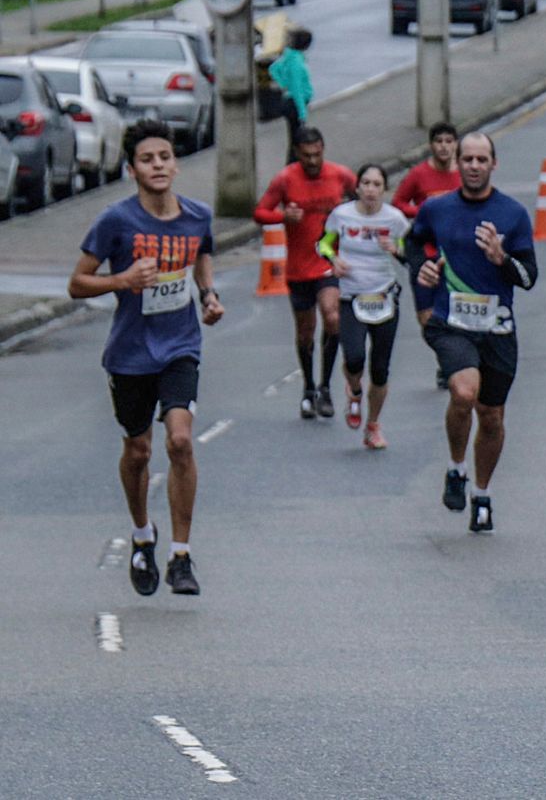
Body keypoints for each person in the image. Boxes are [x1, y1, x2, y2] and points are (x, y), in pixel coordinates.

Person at [69, 120, 223, 596]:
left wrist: (209, 295)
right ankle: (142, 536)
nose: (158, 165)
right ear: (132, 169)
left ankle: (181, 555)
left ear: (175, 164)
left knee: (180, 441)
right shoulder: (116, 221)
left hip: (179, 346)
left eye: (164, 157)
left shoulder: (196, 216)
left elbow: (201, 255)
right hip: (131, 353)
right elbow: (77, 284)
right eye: (147, 159)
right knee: (138, 452)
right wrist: (123, 280)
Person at [406, 132, 539, 533]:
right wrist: (422, 275)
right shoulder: (437, 209)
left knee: (493, 417)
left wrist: (501, 258)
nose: (474, 166)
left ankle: (482, 494)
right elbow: (413, 244)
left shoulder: (513, 214)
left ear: (493, 164)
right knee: (464, 392)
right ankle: (455, 467)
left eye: (482, 159)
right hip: (451, 323)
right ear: (458, 164)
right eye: (468, 159)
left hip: (497, 328)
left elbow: (529, 277)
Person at [253, 126, 355, 420]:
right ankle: (309, 388)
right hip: (298, 268)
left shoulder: (340, 175)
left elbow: (365, 197)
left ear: (324, 149)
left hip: (328, 263)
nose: (313, 161)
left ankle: (325, 386)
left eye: (317, 154)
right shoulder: (285, 179)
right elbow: (260, 212)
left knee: (333, 317)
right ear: (297, 153)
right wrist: (282, 216)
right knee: (305, 332)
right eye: (307, 155)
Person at [318, 163, 410, 449]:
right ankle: (354, 390)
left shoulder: (395, 219)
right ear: (357, 187)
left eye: (376, 185)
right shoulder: (342, 215)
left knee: (381, 369)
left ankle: (373, 426)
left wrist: (397, 249)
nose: (370, 190)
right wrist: (334, 260)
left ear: (384, 189)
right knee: (355, 357)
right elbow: (323, 244)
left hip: (383, 297)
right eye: (366, 184)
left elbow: (414, 253)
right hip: (351, 297)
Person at [394, 123, 464, 389]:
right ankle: (445, 356)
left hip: (456, 251)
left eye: (449, 141)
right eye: (439, 141)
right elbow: (398, 203)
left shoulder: (464, 174)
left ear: (456, 144)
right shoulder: (419, 174)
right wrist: (423, 211)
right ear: (431, 145)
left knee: (454, 309)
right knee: (426, 316)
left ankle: (453, 362)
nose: (444, 146)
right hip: (423, 251)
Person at [269, 27, 315, 162]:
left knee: (295, 137)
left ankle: (293, 165)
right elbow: (297, 89)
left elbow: (273, 68)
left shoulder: (290, 57)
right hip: (294, 104)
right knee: (298, 139)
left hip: (289, 102)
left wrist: (283, 83)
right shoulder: (296, 62)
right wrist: (302, 113)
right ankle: (293, 166)